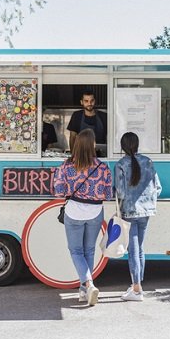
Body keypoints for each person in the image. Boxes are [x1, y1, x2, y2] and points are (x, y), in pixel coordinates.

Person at [53, 128, 112, 306]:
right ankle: (83, 290)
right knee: (89, 250)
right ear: (93, 145)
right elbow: (107, 194)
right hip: (95, 212)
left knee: (76, 251)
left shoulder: (67, 165)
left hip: (74, 212)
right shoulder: (103, 167)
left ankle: (88, 284)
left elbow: (58, 191)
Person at [113, 132, 162, 302]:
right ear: (138, 144)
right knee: (140, 248)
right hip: (147, 211)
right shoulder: (148, 161)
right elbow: (158, 187)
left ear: (123, 147)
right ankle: (137, 286)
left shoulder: (121, 164)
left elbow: (121, 191)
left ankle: (136, 289)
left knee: (132, 250)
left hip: (130, 211)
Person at [66, 90, 108, 155]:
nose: (89, 103)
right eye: (86, 101)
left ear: (95, 101)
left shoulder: (103, 116)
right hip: (81, 155)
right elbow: (72, 137)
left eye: (92, 101)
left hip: (101, 155)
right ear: (81, 102)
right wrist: (73, 155)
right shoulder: (77, 116)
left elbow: (109, 137)